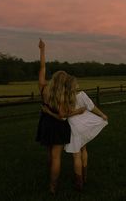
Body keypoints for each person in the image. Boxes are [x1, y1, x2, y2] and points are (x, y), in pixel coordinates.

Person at [36, 39, 85, 195]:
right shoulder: (63, 96)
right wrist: (77, 112)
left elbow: (42, 67)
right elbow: (63, 116)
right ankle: (54, 186)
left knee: (49, 153)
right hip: (58, 126)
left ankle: (51, 184)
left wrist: (42, 50)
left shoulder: (44, 89)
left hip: (45, 123)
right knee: (56, 157)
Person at [43, 75, 108, 191]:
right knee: (84, 150)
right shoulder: (82, 95)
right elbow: (92, 107)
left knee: (76, 155)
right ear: (74, 85)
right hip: (84, 125)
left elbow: (62, 118)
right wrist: (102, 115)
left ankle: (79, 183)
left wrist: (49, 112)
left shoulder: (64, 98)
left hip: (73, 127)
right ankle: (85, 177)